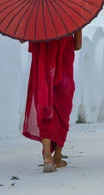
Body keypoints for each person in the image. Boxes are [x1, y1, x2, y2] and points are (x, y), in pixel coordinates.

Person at [20, 30, 83, 173]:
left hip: (43, 74)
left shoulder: (35, 20)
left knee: (45, 108)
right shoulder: (72, 18)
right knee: (62, 111)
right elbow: (78, 45)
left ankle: (47, 157)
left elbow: (21, 39)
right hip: (64, 73)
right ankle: (58, 157)